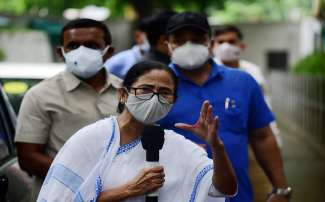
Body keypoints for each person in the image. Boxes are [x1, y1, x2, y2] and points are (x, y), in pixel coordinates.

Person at [37, 61, 238, 202]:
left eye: (164, 93)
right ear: (123, 94)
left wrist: (216, 146)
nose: (154, 98)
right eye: (146, 89)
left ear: (173, 101)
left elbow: (224, 190)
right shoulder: (92, 139)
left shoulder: (178, 146)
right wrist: (129, 190)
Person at [158, 12, 292, 202]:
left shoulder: (242, 82)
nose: (188, 46)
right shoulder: (156, 86)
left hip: (237, 197)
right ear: (168, 45)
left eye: (196, 40)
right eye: (179, 40)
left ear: (208, 42)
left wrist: (280, 189)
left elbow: (262, 137)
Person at [15, 18, 122, 201]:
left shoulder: (127, 91)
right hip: (62, 196)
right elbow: (28, 158)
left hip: (121, 193)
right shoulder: (40, 95)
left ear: (108, 52)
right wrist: (89, 178)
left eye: (91, 45)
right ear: (61, 52)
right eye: (73, 46)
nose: (82, 52)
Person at [212, 25, 282, 146]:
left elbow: (264, 104)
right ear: (213, 46)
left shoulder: (253, 71)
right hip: (217, 138)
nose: (226, 46)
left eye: (231, 41)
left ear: (242, 46)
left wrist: (274, 137)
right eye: (221, 42)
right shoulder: (206, 73)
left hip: (252, 139)